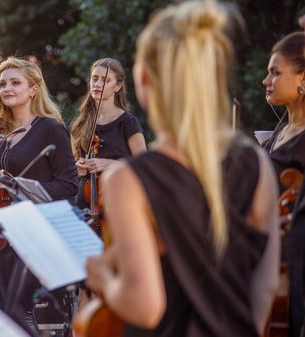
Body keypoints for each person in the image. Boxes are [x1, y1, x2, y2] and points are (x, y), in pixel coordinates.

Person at [84, 1, 280, 336]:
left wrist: (101, 277)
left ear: (142, 77)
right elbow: (266, 284)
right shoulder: (256, 161)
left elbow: (145, 307)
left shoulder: (127, 178)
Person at [0, 56, 78, 336]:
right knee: (6, 310)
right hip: (6, 231)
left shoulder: (50, 129)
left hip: (39, 229)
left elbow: (69, 185)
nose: (7, 88)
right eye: (3, 83)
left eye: (15, 82)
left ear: (33, 89)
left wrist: (20, 185)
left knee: (18, 310)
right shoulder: (0, 135)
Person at [261, 31, 305, 337]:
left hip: (294, 270)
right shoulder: (280, 131)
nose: (266, 81)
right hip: (264, 264)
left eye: (275, 73)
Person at [70, 58, 146, 210]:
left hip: (119, 200)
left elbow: (144, 166)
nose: (97, 84)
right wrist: (77, 168)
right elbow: (71, 166)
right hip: (85, 203)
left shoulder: (127, 122)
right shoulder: (80, 123)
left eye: (106, 80)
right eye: (95, 78)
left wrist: (109, 164)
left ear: (117, 87)